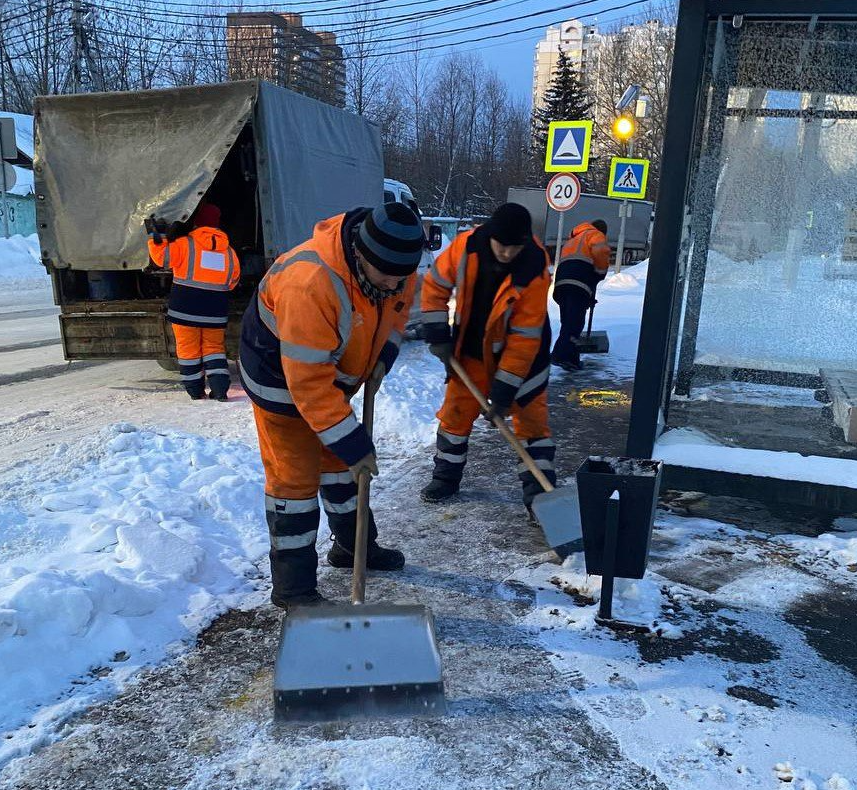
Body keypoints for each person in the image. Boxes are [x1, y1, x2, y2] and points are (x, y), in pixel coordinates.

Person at [239, 203, 425, 609]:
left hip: (330, 375)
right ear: (360, 255)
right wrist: (353, 442)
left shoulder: (395, 269)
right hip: (280, 382)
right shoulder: (310, 282)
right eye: (387, 276)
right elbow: (307, 383)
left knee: (342, 469)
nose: (396, 284)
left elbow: (395, 314)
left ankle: (354, 549)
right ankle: (294, 589)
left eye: (402, 277)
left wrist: (384, 357)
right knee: (296, 483)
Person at [419, 202, 556, 511]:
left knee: (532, 423)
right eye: (501, 245)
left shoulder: (534, 267)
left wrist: (504, 393)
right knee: (455, 414)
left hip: (525, 359)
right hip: (471, 351)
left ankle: (541, 495)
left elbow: (523, 338)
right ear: (490, 234)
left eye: (514, 247)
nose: (507, 253)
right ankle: (446, 477)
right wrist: (437, 331)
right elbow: (435, 285)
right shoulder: (466, 246)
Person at [147, 203, 240, 400]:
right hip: (215, 312)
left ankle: (196, 391)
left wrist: (157, 238)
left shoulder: (186, 244)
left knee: (188, 350)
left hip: (185, 310)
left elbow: (162, 259)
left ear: (197, 222)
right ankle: (220, 389)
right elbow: (233, 282)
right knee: (214, 350)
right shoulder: (229, 252)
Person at [550, 219, 610, 371]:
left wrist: (588, 297)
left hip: (562, 285)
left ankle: (572, 359)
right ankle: (560, 355)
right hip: (578, 283)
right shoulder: (595, 235)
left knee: (569, 321)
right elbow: (601, 253)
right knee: (575, 323)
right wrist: (600, 273)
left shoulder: (574, 239)